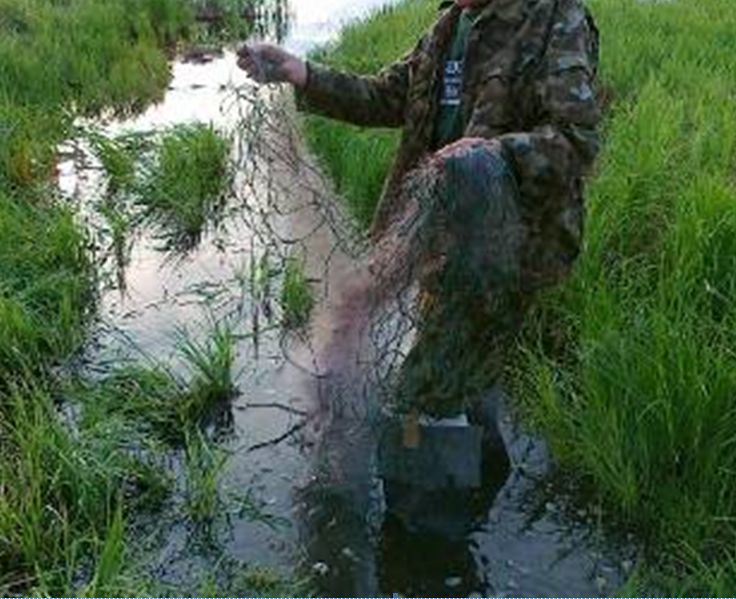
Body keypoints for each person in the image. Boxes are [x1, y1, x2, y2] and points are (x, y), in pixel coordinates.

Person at [237, 0, 601, 426]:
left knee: (422, 396)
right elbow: (384, 97)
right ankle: (462, 427)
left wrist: (496, 154)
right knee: (357, 302)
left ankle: (441, 448)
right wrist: (300, 72)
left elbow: (575, 142)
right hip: (433, 229)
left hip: (503, 247)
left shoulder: (554, 17)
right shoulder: (447, 28)